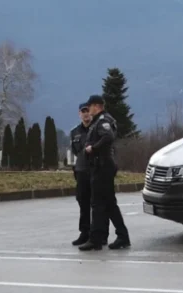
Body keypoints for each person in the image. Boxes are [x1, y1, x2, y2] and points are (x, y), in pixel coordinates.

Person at [78, 94, 131, 251]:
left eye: (90, 106)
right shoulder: (99, 121)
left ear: (97, 106)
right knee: (107, 203)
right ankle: (121, 236)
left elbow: (108, 137)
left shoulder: (103, 120)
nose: (89, 109)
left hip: (102, 166)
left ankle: (96, 239)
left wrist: (93, 148)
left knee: (98, 203)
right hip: (101, 166)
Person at [69, 102, 93, 246]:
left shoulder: (97, 129)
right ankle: (84, 232)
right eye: (83, 111)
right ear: (79, 114)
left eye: (87, 111)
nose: (85, 114)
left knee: (97, 204)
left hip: (96, 170)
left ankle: (99, 234)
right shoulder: (75, 132)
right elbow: (75, 151)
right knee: (82, 202)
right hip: (81, 170)